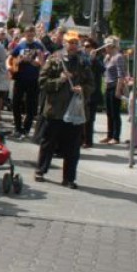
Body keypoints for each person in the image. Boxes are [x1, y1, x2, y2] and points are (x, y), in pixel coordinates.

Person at [34, 31, 93, 188]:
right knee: (48, 143)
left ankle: (69, 178)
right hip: (55, 110)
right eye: (70, 42)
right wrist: (60, 80)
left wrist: (83, 90)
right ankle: (40, 170)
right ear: (64, 43)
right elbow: (42, 82)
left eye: (75, 43)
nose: (73, 46)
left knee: (73, 148)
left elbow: (91, 85)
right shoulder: (54, 59)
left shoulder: (83, 62)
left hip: (75, 112)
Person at [10, 26, 47, 139]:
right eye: (28, 33)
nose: (30, 35)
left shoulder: (38, 46)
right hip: (20, 79)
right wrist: (20, 60)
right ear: (25, 34)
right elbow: (11, 59)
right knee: (16, 103)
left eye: (32, 33)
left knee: (31, 106)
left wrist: (31, 60)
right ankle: (17, 127)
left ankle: (26, 129)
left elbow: (42, 63)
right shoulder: (20, 46)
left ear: (34, 34)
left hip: (33, 80)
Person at [100, 37, 126, 145]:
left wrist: (118, 90)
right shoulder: (108, 57)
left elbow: (121, 75)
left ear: (112, 46)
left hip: (115, 85)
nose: (105, 48)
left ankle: (116, 136)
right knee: (109, 113)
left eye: (106, 45)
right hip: (108, 85)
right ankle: (109, 135)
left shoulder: (118, 57)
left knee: (115, 113)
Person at [82, 38, 105, 149]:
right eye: (84, 46)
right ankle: (81, 139)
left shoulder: (98, 59)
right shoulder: (82, 57)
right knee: (81, 117)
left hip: (93, 93)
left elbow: (102, 69)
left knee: (89, 118)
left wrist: (93, 59)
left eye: (87, 46)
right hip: (82, 92)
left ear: (93, 48)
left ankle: (88, 141)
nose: (85, 48)